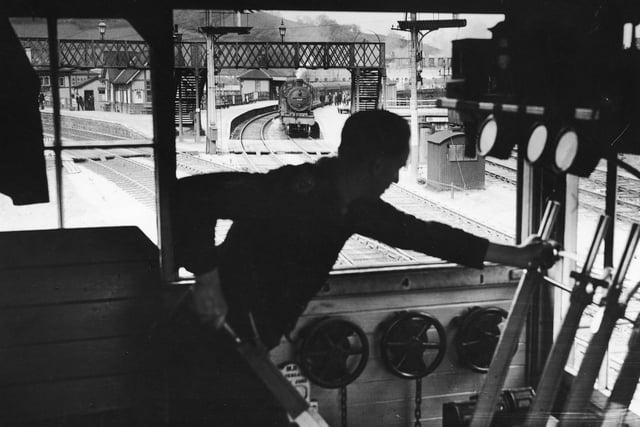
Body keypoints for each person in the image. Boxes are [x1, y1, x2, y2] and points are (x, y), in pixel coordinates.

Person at [167, 110, 558, 426]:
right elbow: (188, 196)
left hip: (245, 346)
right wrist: (207, 280)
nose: (396, 177)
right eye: (396, 167)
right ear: (375, 164)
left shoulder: (351, 206)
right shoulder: (289, 191)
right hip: (206, 345)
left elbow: (420, 234)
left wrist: (516, 255)